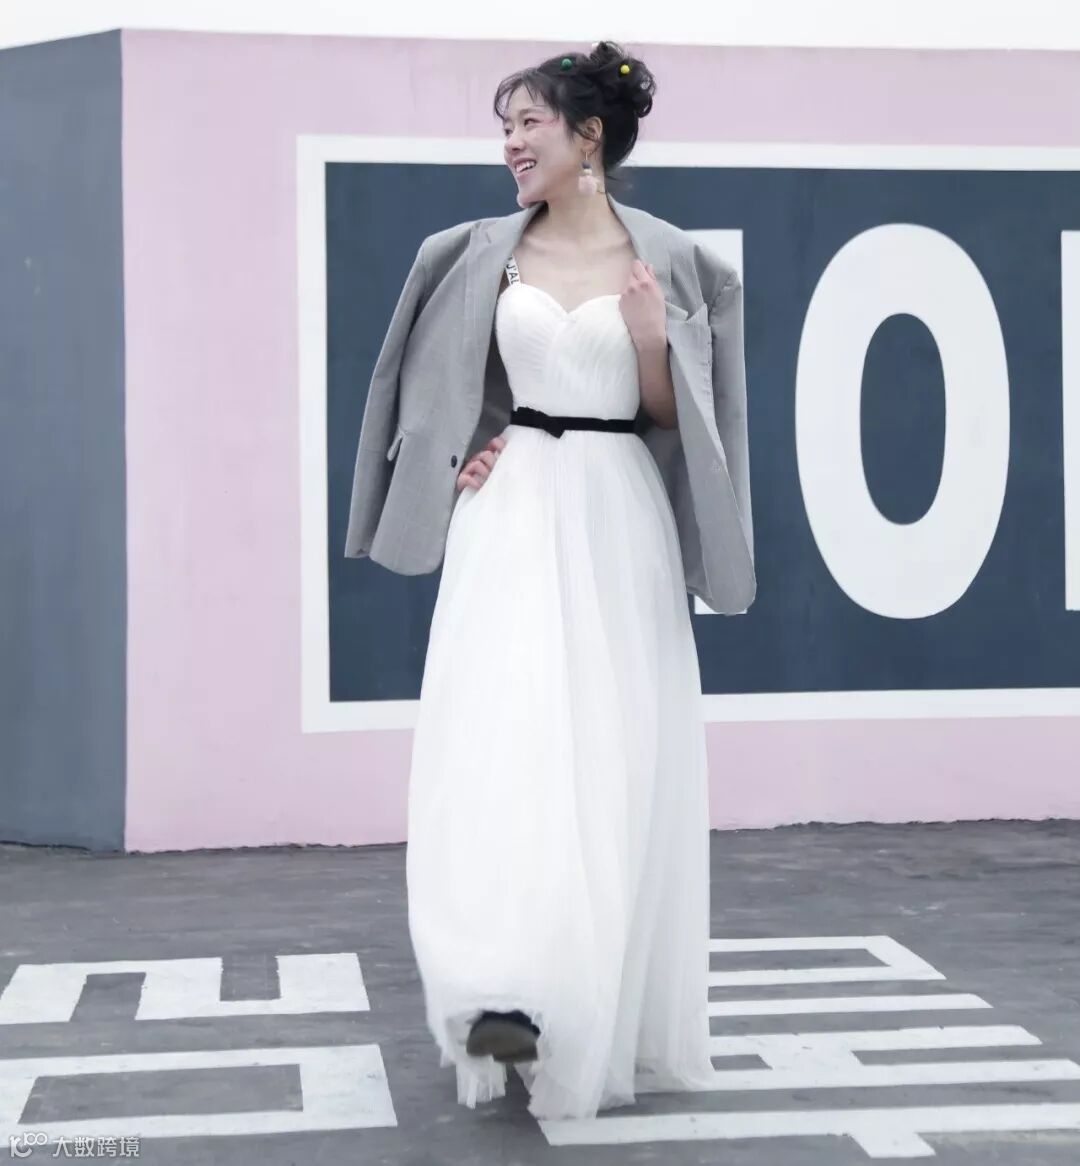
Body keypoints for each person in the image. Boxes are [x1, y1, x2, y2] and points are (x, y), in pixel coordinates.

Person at [386, 41, 753, 1121]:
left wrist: (650, 341)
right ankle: (499, 985)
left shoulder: (672, 260)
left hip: (616, 516)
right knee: (497, 744)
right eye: (505, 128)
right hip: (510, 515)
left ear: (589, 136)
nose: (510, 145)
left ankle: (575, 995)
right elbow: (452, 383)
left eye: (528, 124)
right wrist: (471, 450)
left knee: (605, 757)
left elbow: (683, 420)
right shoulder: (477, 253)